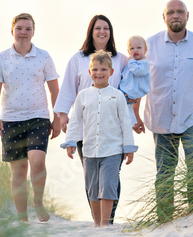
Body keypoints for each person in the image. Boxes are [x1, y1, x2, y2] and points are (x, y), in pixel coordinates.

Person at [134, 0, 193, 221]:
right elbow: (137, 81)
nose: (175, 15)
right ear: (164, 17)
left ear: (187, 16)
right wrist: (135, 115)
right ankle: (165, 220)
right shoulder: (149, 46)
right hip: (160, 118)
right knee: (165, 172)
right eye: (171, 12)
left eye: (180, 12)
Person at [53, 14, 131, 223]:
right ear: (91, 31)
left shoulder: (121, 59)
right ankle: (97, 222)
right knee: (92, 179)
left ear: (110, 32)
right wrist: (62, 117)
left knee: (111, 176)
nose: (102, 32)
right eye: (98, 28)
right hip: (84, 131)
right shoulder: (78, 59)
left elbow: (132, 87)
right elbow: (69, 89)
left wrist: (136, 116)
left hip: (113, 131)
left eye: (106, 28)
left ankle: (108, 221)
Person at [0, 13, 60, 222]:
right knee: (18, 170)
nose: (23, 32)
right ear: (12, 31)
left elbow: (54, 90)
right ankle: (22, 218)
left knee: (37, 161)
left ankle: (38, 202)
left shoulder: (44, 56)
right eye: (19, 28)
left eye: (28, 29)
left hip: (38, 117)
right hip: (10, 119)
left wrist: (57, 118)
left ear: (33, 32)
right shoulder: (2, 58)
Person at [61, 50, 137, 227]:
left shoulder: (117, 95)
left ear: (111, 72)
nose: (99, 73)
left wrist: (129, 147)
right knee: (93, 189)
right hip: (89, 151)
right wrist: (71, 141)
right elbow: (75, 121)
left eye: (103, 69)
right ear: (89, 72)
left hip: (112, 150)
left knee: (108, 187)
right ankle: (97, 225)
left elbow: (125, 123)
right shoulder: (83, 96)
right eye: (95, 69)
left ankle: (105, 224)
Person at [118, 35, 150, 126]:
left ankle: (132, 123)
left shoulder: (144, 63)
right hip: (125, 91)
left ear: (145, 49)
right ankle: (132, 123)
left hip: (132, 92)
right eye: (132, 48)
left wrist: (131, 62)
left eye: (139, 48)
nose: (135, 50)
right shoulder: (130, 63)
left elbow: (137, 71)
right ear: (128, 51)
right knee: (124, 111)